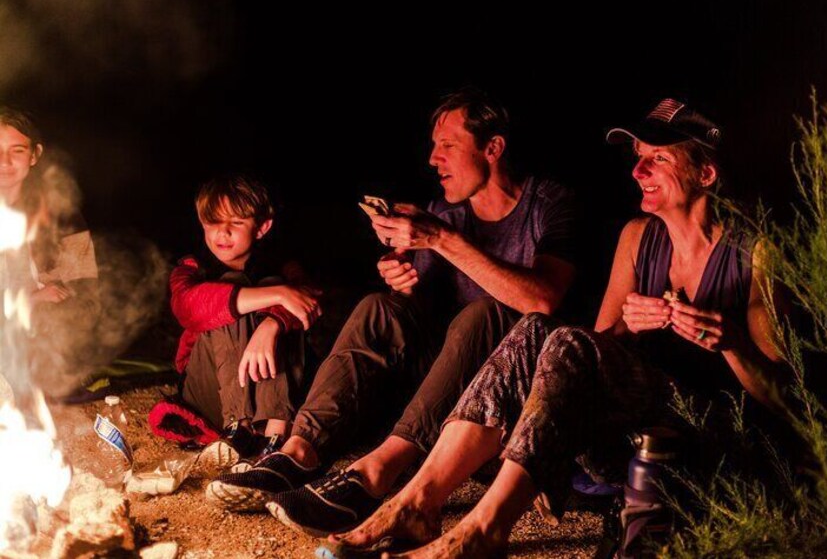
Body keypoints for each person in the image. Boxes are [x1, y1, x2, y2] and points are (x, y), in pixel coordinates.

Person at [328, 98, 788, 558]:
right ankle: (417, 502)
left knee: (563, 336)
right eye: (638, 158)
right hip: (629, 433)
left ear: (705, 174)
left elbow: (784, 397)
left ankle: (486, 528)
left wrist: (729, 342)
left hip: (710, 437)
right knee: (535, 331)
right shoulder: (637, 236)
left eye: (659, 159)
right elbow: (598, 350)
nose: (638, 171)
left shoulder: (755, 250)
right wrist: (628, 326)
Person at [206, 88, 579, 535]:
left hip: (508, 391)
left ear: (492, 148)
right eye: (434, 145)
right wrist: (403, 279)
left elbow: (543, 300)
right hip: (445, 377)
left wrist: (441, 239)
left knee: (484, 313)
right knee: (379, 308)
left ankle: (377, 473)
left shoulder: (550, 205)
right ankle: (299, 450)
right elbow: (418, 311)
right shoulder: (445, 212)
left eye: (448, 146)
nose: (433, 159)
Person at [166, 175, 321, 466]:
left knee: (282, 301)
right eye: (213, 222)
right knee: (229, 287)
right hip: (209, 393)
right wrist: (277, 294)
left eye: (236, 223)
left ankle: (274, 437)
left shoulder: (284, 269)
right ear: (202, 223)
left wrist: (272, 324)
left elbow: (310, 301)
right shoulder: (190, 268)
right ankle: (238, 429)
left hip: (271, 397)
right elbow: (187, 306)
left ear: (262, 227)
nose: (222, 233)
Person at [0, 106, 99, 396]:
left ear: (35, 155)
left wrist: (43, 306)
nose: (4, 161)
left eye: (16, 150)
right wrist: (27, 298)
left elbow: (86, 295)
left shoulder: (60, 216)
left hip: (39, 338)